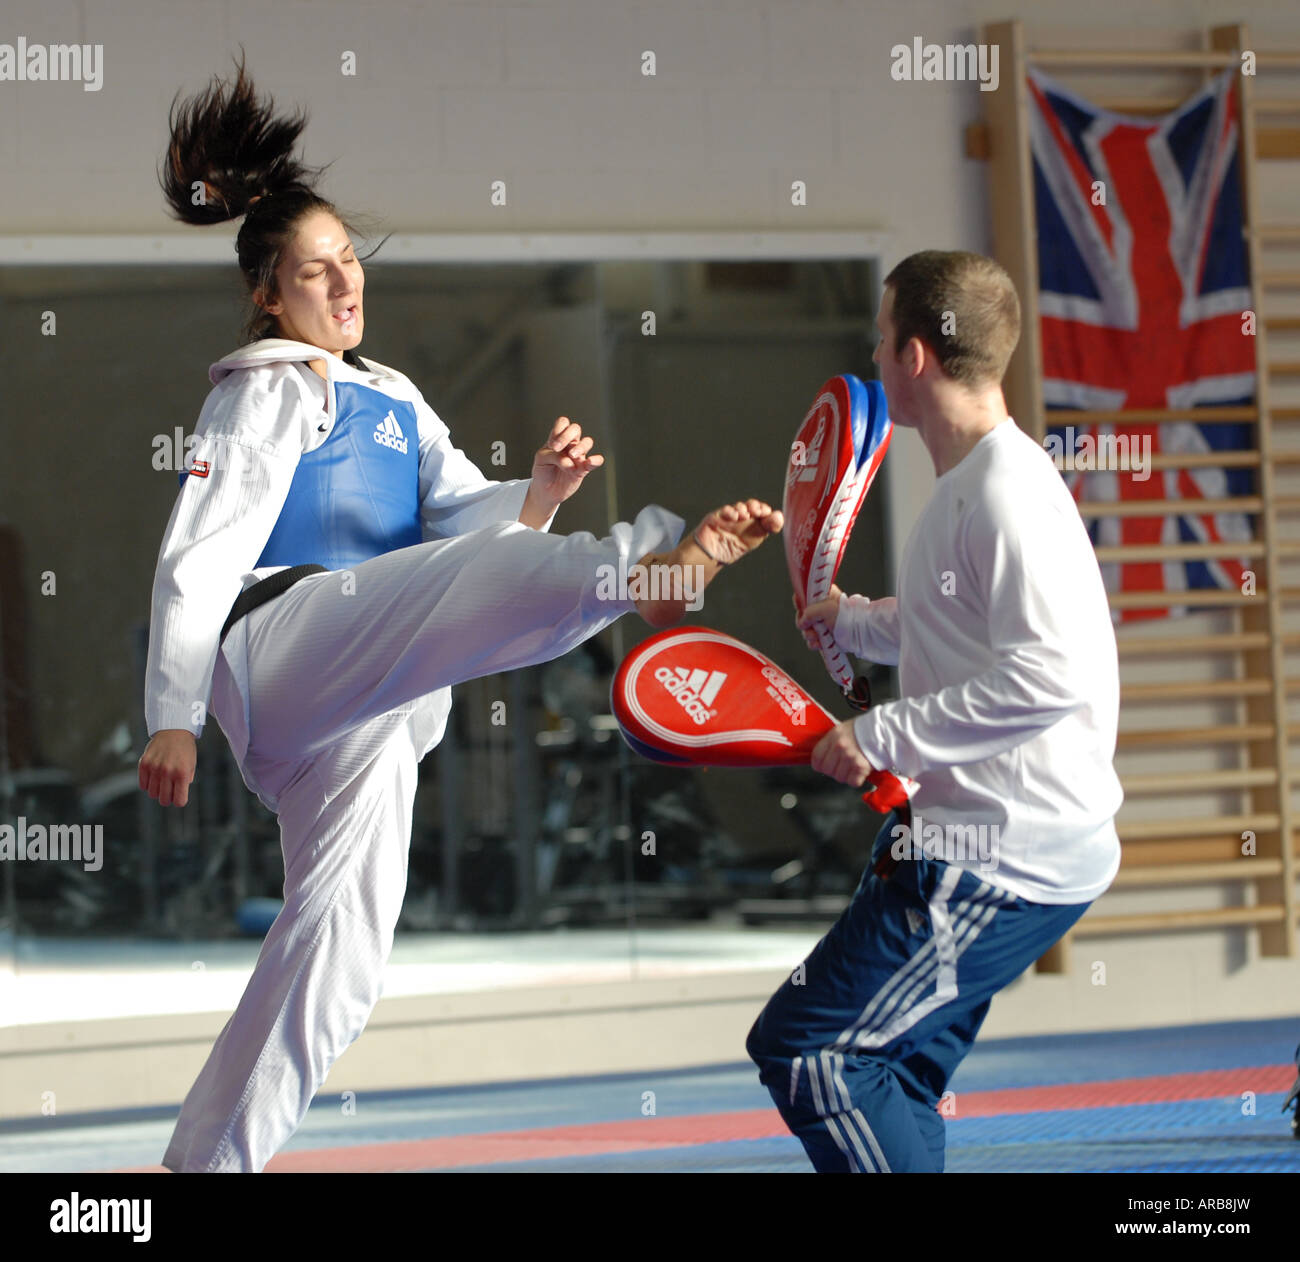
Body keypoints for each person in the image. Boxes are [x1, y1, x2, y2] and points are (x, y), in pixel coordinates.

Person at [140, 56, 782, 1173]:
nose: (344, 291)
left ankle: (203, 1166)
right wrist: (173, 713)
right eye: (314, 274)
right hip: (284, 645)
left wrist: (532, 492)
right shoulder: (263, 388)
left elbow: (459, 514)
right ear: (267, 292)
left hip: (372, 702)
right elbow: (197, 557)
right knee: (443, 584)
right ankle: (645, 572)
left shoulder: (391, 394)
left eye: (350, 266)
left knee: (337, 957)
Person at [746, 249, 1123, 1173]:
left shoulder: (1005, 494)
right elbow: (960, 626)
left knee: (811, 1052)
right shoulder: (979, 481)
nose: (874, 355)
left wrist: (877, 735)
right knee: (895, 1072)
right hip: (973, 838)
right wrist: (859, 622)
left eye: (881, 336)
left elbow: (1047, 678)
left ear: (914, 356)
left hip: (999, 857)